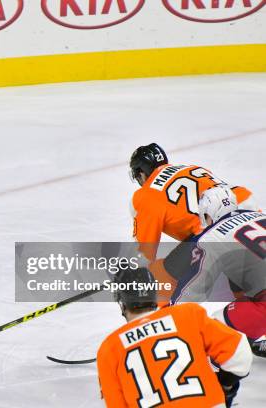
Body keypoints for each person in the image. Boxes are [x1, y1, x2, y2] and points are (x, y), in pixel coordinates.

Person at [97, 267, 252, 408]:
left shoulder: (109, 348)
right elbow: (239, 353)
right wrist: (224, 386)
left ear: (122, 303)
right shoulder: (188, 314)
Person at [155, 186, 265, 357]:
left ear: (208, 213)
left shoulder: (211, 237)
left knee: (213, 329)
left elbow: (194, 287)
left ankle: (220, 380)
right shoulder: (260, 215)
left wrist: (168, 318)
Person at [129, 143, 257, 262]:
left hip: (218, 229)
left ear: (142, 173)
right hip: (247, 205)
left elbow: (145, 253)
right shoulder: (192, 167)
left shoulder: (146, 194)